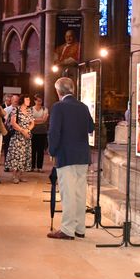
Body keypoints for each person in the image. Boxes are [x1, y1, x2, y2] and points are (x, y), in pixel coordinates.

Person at [47, 77, 94, 240]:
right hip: (82, 155)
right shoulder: (83, 106)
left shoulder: (59, 107)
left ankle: (67, 230)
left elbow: (54, 132)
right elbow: (91, 127)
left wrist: (52, 151)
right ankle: (80, 228)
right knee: (80, 193)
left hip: (65, 155)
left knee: (68, 193)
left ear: (58, 91)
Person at [6, 94, 35, 183]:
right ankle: (14, 176)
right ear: (23, 100)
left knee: (25, 155)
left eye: (29, 100)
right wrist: (23, 131)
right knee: (16, 156)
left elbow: (32, 123)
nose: (29, 101)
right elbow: (13, 123)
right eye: (27, 100)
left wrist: (28, 130)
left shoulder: (29, 110)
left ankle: (21, 175)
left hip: (26, 137)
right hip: (17, 136)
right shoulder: (16, 109)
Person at [30, 94, 49, 172]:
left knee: (40, 150)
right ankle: (32, 167)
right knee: (33, 150)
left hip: (42, 132)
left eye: (40, 100)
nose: (39, 102)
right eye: (38, 100)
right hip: (33, 132)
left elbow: (44, 120)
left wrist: (34, 121)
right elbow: (29, 120)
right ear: (34, 101)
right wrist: (39, 120)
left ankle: (39, 167)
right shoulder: (31, 109)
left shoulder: (45, 109)